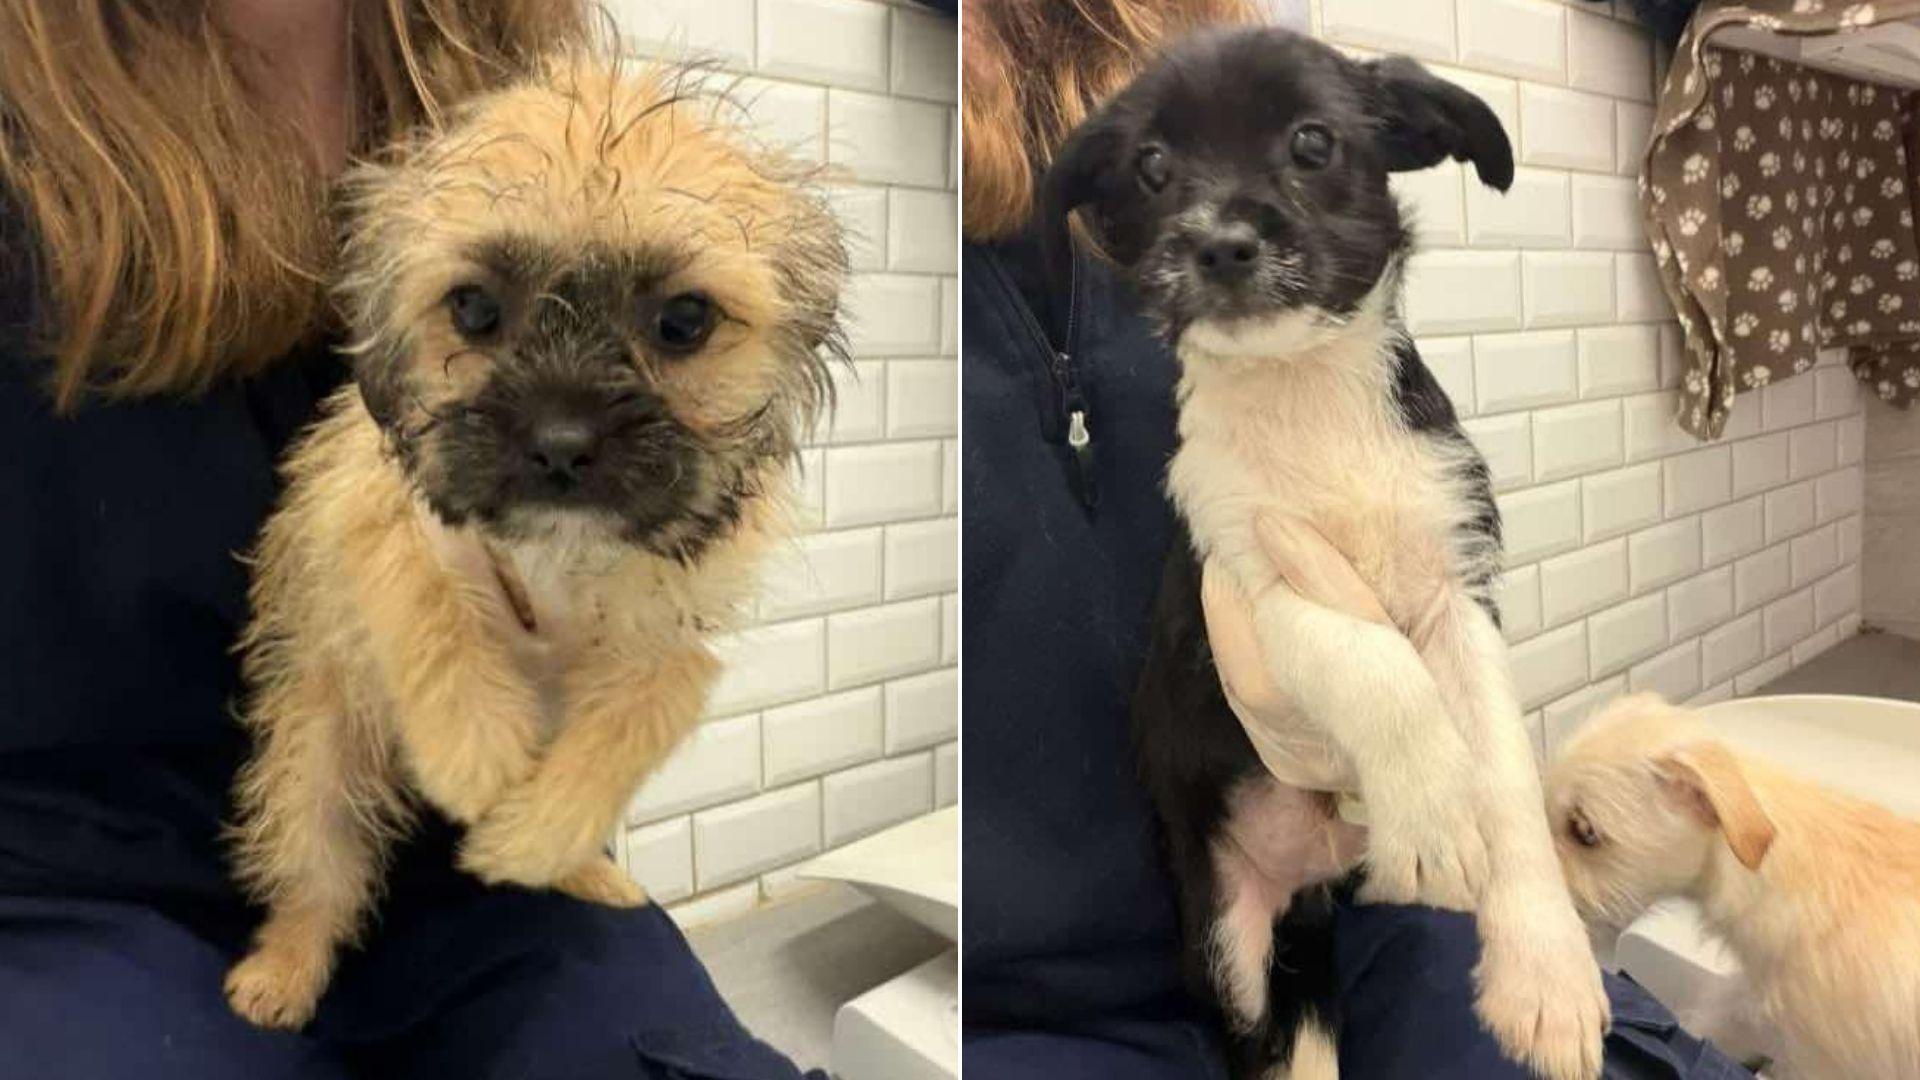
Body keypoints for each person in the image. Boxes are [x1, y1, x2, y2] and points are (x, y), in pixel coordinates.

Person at [0, 4, 817, 1077]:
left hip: (478, 886)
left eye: (676, 328)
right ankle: (305, 924)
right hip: (72, 869)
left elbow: (640, 660)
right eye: (479, 315)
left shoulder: (520, 69)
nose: (563, 429)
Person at [957, 1, 1745, 1076]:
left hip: (1408, 888)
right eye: (1158, 174)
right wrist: (1378, 720)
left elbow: (1460, 630)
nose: (1223, 226)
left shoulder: (1405, 430)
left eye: (1308, 148)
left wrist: (1526, 897)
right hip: (1092, 959)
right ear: (1103, 209)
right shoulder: (1206, 440)